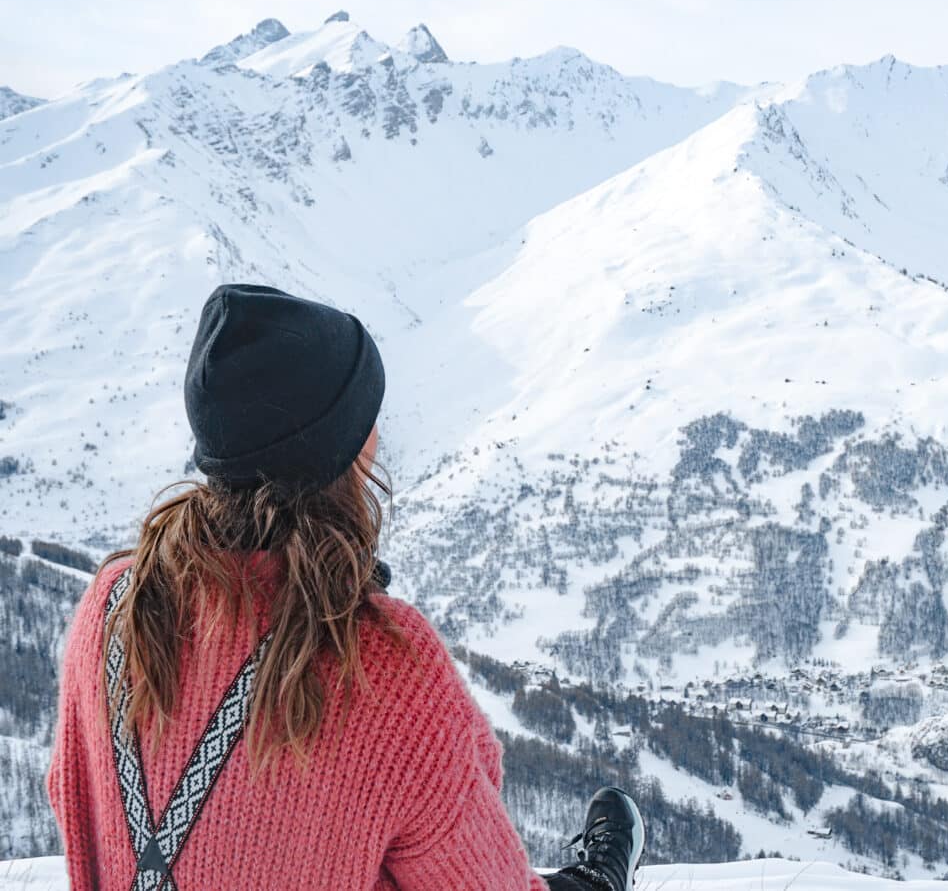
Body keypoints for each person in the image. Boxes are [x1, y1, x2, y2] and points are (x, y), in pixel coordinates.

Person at [46, 283, 645, 890]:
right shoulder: (379, 660)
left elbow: (77, 808)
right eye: (366, 419)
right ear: (338, 450)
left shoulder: (115, 603)